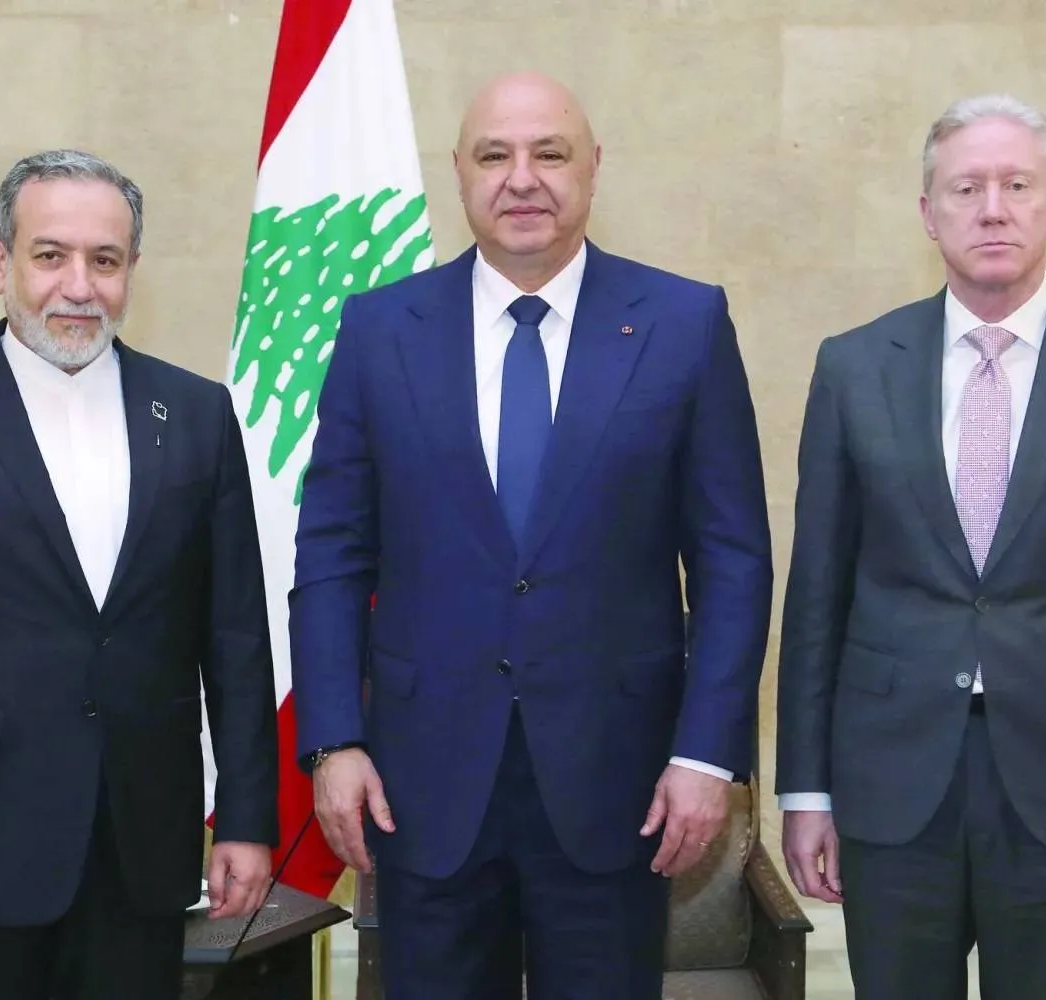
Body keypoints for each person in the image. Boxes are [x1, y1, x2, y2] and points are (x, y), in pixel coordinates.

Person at [289, 72, 772, 999]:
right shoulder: (380, 328)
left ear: (593, 170)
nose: (523, 179)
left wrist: (706, 754)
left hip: (618, 784)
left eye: (550, 154)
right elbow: (334, 552)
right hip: (421, 783)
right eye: (494, 156)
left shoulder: (683, 323)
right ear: (460, 175)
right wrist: (333, 741)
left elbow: (732, 563)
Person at [0, 149, 279, 1000]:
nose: (79, 285)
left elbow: (235, 639)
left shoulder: (194, 414)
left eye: (104, 260)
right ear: (2, 262)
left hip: (144, 846)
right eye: (51, 255)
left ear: (131, 271)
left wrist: (250, 820)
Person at [775, 94, 1046, 1000]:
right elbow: (817, 594)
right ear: (929, 214)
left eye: (1017, 184)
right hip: (892, 779)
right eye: (966, 188)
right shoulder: (854, 366)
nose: (993, 208)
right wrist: (804, 789)